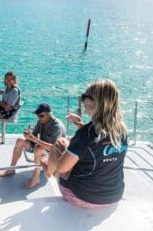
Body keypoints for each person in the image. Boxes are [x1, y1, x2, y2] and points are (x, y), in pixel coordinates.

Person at [43, 79, 128, 208]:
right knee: (68, 147)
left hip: (82, 196)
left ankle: (47, 171)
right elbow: (98, 143)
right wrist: (80, 127)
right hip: (114, 196)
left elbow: (62, 168)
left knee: (60, 143)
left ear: (95, 102)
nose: (82, 101)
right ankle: (48, 168)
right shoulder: (122, 130)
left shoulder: (85, 134)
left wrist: (55, 157)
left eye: (84, 97)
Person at [0, 103, 66, 189]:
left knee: (38, 148)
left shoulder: (57, 127)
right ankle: (12, 169)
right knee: (20, 141)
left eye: (41, 115)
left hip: (53, 154)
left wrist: (34, 139)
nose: (39, 118)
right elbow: (34, 134)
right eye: (38, 116)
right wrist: (28, 134)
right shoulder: (41, 122)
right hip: (41, 147)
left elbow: (53, 148)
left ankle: (36, 178)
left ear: (49, 114)